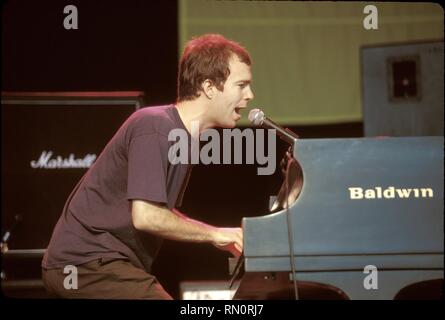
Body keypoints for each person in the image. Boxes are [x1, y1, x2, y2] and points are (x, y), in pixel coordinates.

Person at [41, 34, 254, 299]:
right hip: (85, 264)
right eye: (242, 85)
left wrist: (223, 236)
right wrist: (215, 234)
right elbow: (147, 216)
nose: (249, 96)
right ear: (209, 87)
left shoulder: (181, 139)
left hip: (99, 265)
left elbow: (160, 211)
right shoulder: (155, 126)